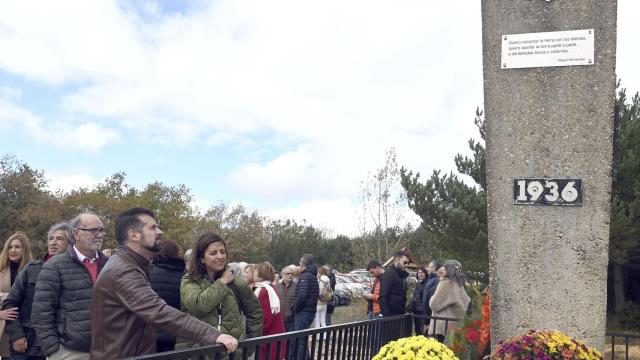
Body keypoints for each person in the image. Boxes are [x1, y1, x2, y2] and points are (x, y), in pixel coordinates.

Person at [90, 208, 237, 359]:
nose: (159, 231)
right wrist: (213, 335)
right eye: (153, 227)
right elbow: (158, 311)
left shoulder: (132, 264)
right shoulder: (123, 271)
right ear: (134, 235)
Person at [32, 213, 108, 360]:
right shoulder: (54, 266)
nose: (100, 235)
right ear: (76, 233)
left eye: (102, 230)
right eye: (94, 230)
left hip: (108, 350)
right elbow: (41, 313)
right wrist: (53, 351)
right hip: (69, 352)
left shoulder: (110, 265)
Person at [180, 232, 262, 358]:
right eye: (213, 253)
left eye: (222, 252)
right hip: (198, 354)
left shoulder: (237, 283)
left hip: (232, 353)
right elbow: (198, 306)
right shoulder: (190, 280)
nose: (220, 256)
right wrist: (222, 282)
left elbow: (255, 313)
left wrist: (248, 345)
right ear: (202, 258)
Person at [3, 223, 69, 360]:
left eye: (59, 239)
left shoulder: (77, 273)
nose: (53, 243)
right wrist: (17, 335)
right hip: (27, 344)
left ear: (71, 243)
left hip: (62, 346)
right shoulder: (32, 268)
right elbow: (11, 303)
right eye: (51, 239)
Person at [148, 239, 186, 352]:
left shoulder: (148, 271)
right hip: (176, 331)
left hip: (151, 332)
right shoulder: (185, 276)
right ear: (176, 253)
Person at [0, 232, 33, 357]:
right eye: (10, 247)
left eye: (17, 247)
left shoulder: (33, 270)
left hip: (26, 329)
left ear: (25, 250)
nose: (13, 250)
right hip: (3, 329)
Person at [428, 260, 470, 343]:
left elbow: (433, 305)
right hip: (455, 325)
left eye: (445, 267)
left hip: (441, 325)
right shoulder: (459, 283)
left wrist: (432, 298)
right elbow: (467, 301)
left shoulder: (445, 283)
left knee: (440, 352)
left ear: (448, 269)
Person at [252, 262, 286, 360]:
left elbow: (266, 317)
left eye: (255, 272)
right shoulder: (270, 288)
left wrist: (256, 331)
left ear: (261, 274)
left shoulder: (264, 291)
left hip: (268, 336)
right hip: (274, 334)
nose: (253, 274)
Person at [292, 254, 319, 359]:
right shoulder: (311, 276)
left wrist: (295, 308)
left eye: (299, 263)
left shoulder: (305, 276)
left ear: (303, 264)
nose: (299, 265)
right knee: (303, 339)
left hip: (304, 312)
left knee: (300, 340)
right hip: (309, 311)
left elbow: (302, 296)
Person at [378, 251, 410, 317]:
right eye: (405, 262)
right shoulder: (389, 274)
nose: (406, 265)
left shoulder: (401, 276)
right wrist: (386, 316)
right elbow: (383, 296)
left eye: (408, 263)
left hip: (399, 314)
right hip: (390, 316)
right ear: (397, 260)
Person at [421, 260, 441, 334]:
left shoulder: (436, 280)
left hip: (429, 316)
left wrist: (427, 321)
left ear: (434, 268)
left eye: (429, 267)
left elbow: (431, 300)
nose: (428, 269)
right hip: (426, 314)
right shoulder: (430, 279)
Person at [276, 265, 297, 332]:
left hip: (291, 320)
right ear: (282, 274)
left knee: (290, 340)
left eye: (292, 274)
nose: (290, 275)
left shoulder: (297, 286)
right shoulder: (277, 286)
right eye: (288, 274)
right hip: (279, 319)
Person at [411, 267, 428, 335]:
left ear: (425, 274)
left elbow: (424, 293)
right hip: (416, 311)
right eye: (419, 273)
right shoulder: (417, 283)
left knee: (423, 332)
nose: (421, 274)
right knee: (417, 331)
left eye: (422, 273)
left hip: (423, 311)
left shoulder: (427, 283)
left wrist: (418, 284)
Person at [314, 266, 331, 333]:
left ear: (320, 272)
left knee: (317, 321)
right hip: (325, 302)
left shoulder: (320, 280)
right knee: (323, 320)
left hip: (318, 302)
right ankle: (324, 335)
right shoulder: (328, 280)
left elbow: (319, 292)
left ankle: (318, 336)